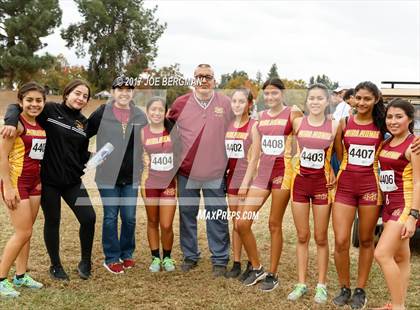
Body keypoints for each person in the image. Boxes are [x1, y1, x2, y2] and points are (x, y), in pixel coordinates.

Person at [2, 79, 96, 281]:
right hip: (48, 180)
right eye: (77, 93)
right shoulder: (49, 110)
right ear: (67, 93)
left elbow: (78, 152)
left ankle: (85, 261)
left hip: (72, 181)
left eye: (85, 96)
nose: (80, 98)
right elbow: (16, 106)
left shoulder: (84, 123)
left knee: (89, 218)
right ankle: (55, 265)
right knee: (52, 221)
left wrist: (94, 157)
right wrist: (10, 120)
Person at [236, 78, 302, 292]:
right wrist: (245, 183)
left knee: (274, 224)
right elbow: (254, 157)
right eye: (267, 93)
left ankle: (273, 274)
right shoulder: (260, 119)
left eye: (275, 93)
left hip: (283, 173)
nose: (271, 97)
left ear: (282, 94)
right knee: (242, 223)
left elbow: (307, 140)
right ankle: (257, 267)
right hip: (262, 174)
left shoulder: (293, 113)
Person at [167, 64, 233, 277]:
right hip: (187, 172)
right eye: (199, 76)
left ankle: (220, 259)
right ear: (193, 79)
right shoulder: (180, 103)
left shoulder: (225, 103)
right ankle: (190, 255)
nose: (203, 80)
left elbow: (237, 130)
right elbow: (169, 130)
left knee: (217, 215)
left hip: (215, 171)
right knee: (187, 214)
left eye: (208, 77)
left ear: (215, 80)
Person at [332, 81, 385, 309]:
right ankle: (344, 287)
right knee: (341, 240)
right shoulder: (343, 124)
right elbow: (339, 154)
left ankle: (360, 289)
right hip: (344, 187)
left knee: (365, 240)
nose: (362, 103)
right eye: (359, 98)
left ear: (375, 100)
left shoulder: (383, 127)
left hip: (370, 189)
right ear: (352, 99)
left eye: (367, 99)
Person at [86, 76, 148, 274]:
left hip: (132, 176)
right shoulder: (102, 112)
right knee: (111, 217)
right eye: (120, 89)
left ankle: (127, 253)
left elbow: (148, 140)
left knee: (129, 217)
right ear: (113, 92)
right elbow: (82, 135)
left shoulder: (139, 115)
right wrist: (90, 155)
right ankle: (111, 257)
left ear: (133, 93)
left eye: (128, 89)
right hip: (107, 176)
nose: (124, 93)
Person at [287, 84, 338, 303]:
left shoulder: (335, 125)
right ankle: (301, 283)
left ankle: (321, 285)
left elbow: (340, 153)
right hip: (299, 184)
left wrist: (335, 172)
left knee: (320, 237)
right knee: (301, 236)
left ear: (327, 102)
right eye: (311, 99)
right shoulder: (298, 122)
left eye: (320, 98)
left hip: (321, 186)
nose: (315, 102)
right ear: (306, 102)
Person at [0, 82, 46, 298]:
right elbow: (2, 156)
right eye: (29, 100)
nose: (34, 104)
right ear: (20, 102)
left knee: (28, 231)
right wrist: (7, 187)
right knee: (23, 232)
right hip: (16, 183)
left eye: (38, 100)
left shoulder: (39, 123)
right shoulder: (15, 124)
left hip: (35, 183)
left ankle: (20, 275)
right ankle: (1, 279)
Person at [374, 99, 419, 310]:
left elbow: (419, 182)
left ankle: (399, 307)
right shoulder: (386, 142)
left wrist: (413, 216)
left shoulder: (414, 145)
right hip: (389, 204)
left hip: (405, 206)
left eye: (399, 116)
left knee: (382, 254)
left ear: (410, 119)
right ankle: (396, 303)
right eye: (390, 116)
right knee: (401, 257)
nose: (393, 121)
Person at [224, 89, 259, 279]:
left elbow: (254, 159)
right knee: (235, 223)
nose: (237, 105)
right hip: (232, 180)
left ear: (250, 104)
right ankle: (236, 262)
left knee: (244, 224)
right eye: (234, 101)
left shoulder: (254, 126)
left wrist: (246, 183)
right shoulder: (228, 125)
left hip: (248, 181)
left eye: (242, 101)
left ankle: (252, 264)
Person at [141, 97, 178, 273]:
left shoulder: (172, 131)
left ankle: (168, 257)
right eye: (153, 110)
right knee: (152, 221)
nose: (156, 113)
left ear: (166, 112)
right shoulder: (142, 132)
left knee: (166, 224)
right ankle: (156, 257)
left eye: (160, 110)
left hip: (169, 184)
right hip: (149, 184)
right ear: (148, 112)